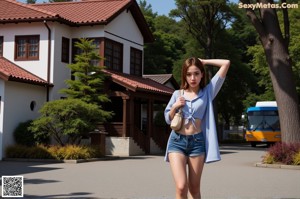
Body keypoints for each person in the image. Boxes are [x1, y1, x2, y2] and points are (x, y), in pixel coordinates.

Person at [164, 57, 230, 199]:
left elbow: (226, 63)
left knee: (194, 189)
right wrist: (175, 106)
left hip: (197, 143)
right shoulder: (177, 94)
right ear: (184, 76)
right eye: (189, 74)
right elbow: (167, 119)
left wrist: (204, 62)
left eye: (196, 73)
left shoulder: (208, 92)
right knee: (181, 187)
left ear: (202, 75)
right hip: (177, 142)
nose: (192, 78)